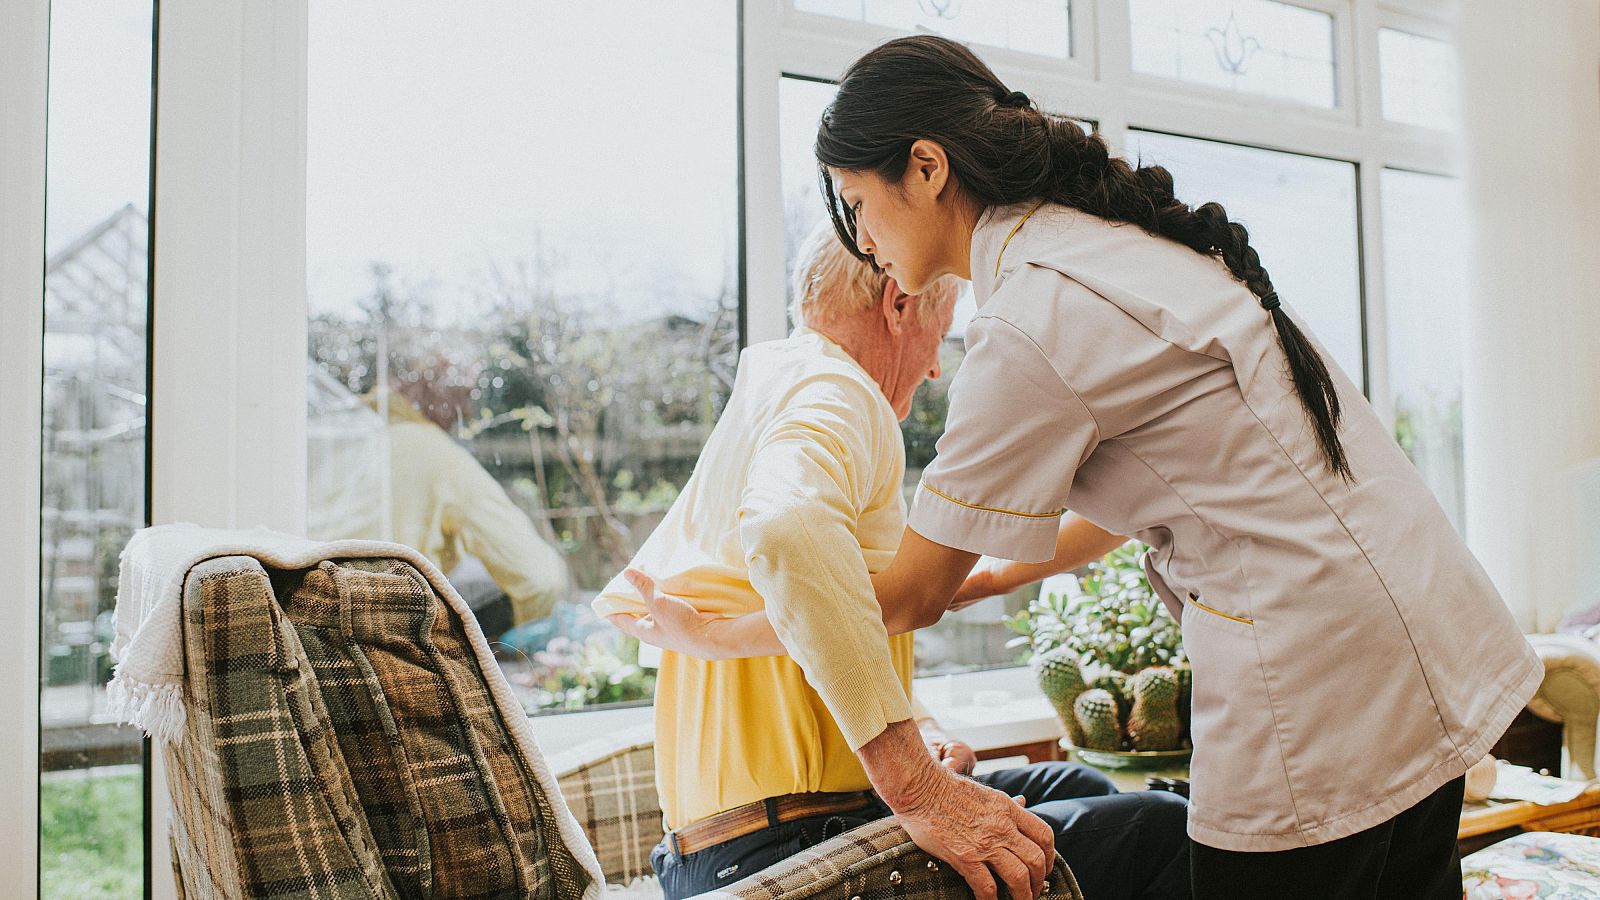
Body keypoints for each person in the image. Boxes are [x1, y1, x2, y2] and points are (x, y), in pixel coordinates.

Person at [628, 34, 1543, 900]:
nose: (864, 240)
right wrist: (969, 583)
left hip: (1317, 676)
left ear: (927, 167)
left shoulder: (1029, 320)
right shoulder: (1105, 246)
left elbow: (904, 595)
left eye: (856, 204)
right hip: (1415, 634)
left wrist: (716, 635)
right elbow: (1121, 514)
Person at [596, 223, 1187, 900]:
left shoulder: (779, 385)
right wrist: (914, 781)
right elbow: (787, 527)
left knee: (1074, 784)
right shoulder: (837, 392)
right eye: (944, 328)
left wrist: (922, 728)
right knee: (1161, 826)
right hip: (783, 847)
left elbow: (828, 609)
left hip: (731, 842)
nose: (937, 365)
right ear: (897, 303)